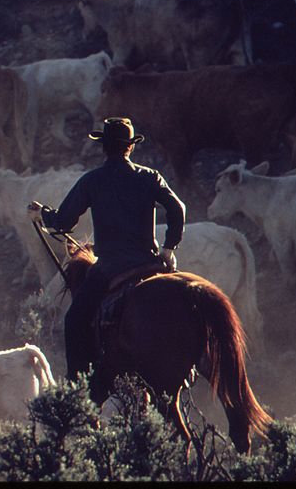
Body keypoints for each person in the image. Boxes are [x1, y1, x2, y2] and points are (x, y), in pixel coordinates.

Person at [27, 116, 186, 382]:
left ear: (104, 147)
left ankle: (79, 389)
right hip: (149, 263)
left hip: (110, 268)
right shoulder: (150, 177)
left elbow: (64, 221)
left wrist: (42, 215)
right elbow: (178, 209)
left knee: (74, 321)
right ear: (130, 147)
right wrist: (169, 249)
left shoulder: (92, 181)